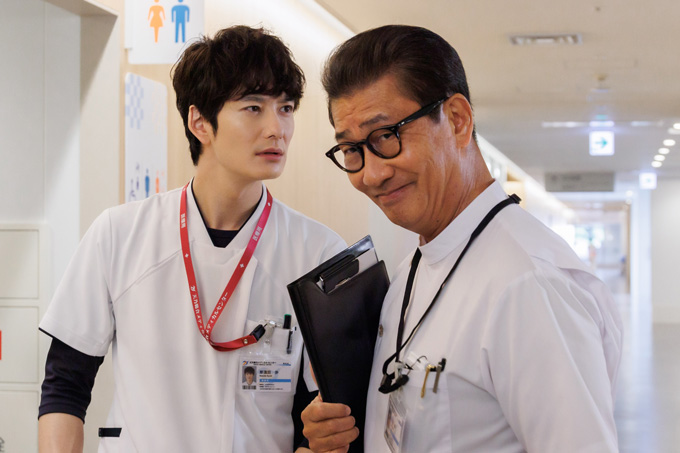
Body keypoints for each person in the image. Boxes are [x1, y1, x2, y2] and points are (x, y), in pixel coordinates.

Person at [300, 25, 623, 452]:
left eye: (387, 137)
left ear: (457, 120)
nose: (371, 174)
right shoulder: (415, 266)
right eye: (352, 150)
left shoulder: (529, 285)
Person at [38, 26, 345, 452]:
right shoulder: (119, 234)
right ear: (200, 122)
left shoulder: (320, 253)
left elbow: (325, 407)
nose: (277, 128)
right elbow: (64, 387)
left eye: (286, 108)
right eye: (254, 108)